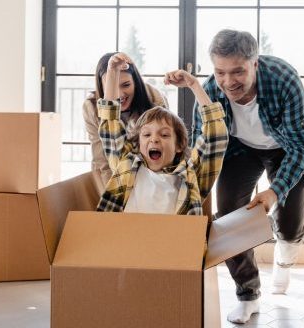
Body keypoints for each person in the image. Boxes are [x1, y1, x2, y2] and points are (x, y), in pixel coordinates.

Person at [191, 29, 304, 324]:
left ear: (255, 64)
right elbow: (200, 143)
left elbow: (302, 146)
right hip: (239, 149)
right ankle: (248, 295)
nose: (228, 81)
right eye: (220, 72)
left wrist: (274, 192)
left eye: (238, 71)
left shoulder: (284, 79)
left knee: (288, 223)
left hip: (285, 147)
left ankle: (285, 256)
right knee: (229, 218)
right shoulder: (210, 91)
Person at [96, 53, 228, 215]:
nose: (154, 139)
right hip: (127, 238)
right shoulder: (126, 166)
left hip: (172, 240)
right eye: (146, 135)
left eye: (164, 135)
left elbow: (216, 138)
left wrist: (194, 85)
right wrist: (112, 71)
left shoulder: (190, 176)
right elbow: (110, 125)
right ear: (138, 143)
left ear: (179, 145)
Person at [83, 52, 169, 193]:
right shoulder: (91, 107)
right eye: (111, 86)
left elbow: (164, 154)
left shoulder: (155, 99)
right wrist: (113, 199)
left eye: (126, 85)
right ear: (101, 86)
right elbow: (101, 161)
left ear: (135, 82)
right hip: (117, 175)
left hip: (151, 176)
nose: (120, 94)